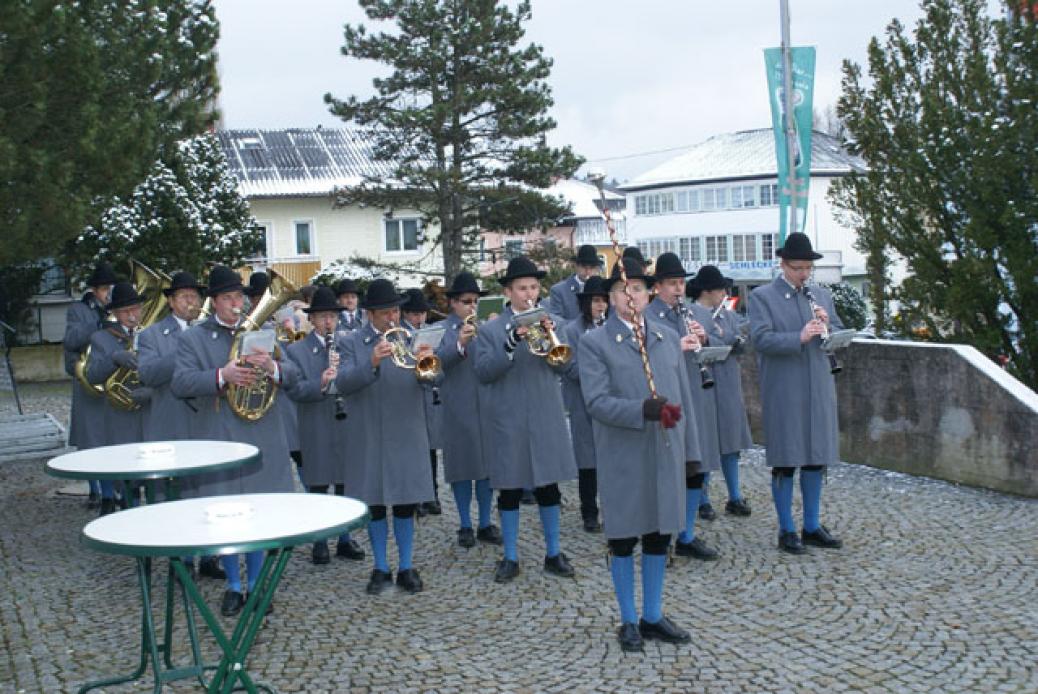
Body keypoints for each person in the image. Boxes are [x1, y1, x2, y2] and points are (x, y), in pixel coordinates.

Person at [579, 257, 699, 652]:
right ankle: (628, 618)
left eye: (637, 289)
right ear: (611, 298)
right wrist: (640, 410)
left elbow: (683, 399)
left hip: (664, 450)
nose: (630, 296)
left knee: (657, 533)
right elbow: (596, 402)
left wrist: (691, 451)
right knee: (625, 536)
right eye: (622, 290)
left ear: (649, 294)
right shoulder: (594, 343)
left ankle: (653, 615)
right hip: (623, 453)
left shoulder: (666, 336)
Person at [171, 265, 300, 616]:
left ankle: (257, 586)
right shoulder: (193, 339)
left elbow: (296, 375)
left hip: (262, 435)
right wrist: (221, 375)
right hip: (220, 435)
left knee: (258, 511)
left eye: (238, 297)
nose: (234, 304)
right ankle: (232, 585)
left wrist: (272, 368)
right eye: (227, 298)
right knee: (227, 512)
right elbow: (180, 383)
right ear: (213, 302)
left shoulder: (263, 331)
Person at [474, 256, 578, 583]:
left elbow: (566, 366)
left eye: (534, 287)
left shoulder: (553, 323)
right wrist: (509, 343)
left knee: (549, 486)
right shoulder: (490, 329)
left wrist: (551, 340)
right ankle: (510, 556)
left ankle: (553, 552)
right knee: (509, 487)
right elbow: (484, 372)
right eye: (522, 288)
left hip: (545, 413)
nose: (529, 293)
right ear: (508, 291)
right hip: (508, 416)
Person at [335, 279, 438, 595]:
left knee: (406, 501)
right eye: (385, 312)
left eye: (395, 310)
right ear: (369, 314)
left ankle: (406, 566)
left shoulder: (412, 336)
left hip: (407, 427)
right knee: (376, 502)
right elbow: (343, 383)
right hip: (369, 430)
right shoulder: (351, 341)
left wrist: (427, 362)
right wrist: (372, 362)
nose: (392, 317)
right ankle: (380, 567)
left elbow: (436, 377)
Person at [748, 232, 844, 554]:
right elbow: (760, 339)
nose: (804, 274)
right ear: (783, 264)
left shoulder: (820, 295)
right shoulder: (762, 297)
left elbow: (843, 333)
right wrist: (798, 337)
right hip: (784, 389)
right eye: (798, 268)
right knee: (787, 459)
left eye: (808, 268)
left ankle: (812, 525)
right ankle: (787, 529)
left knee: (816, 458)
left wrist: (829, 326)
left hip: (818, 386)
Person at [137, 271, 225, 579]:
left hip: (207, 419)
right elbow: (147, 374)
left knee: (208, 490)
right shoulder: (151, 335)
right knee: (177, 495)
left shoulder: (211, 332)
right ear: (171, 302)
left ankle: (209, 557)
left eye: (195, 296)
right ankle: (182, 558)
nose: (192, 302)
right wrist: (185, 347)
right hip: (171, 422)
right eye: (185, 297)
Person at [646, 252, 720, 560]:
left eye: (681, 283)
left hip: (695, 398)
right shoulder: (647, 317)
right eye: (671, 284)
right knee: (665, 471)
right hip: (665, 401)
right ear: (657, 287)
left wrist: (706, 340)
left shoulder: (695, 314)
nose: (678, 289)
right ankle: (660, 535)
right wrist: (675, 346)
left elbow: (720, 347)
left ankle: (687, 535)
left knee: (694, 469)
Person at [283, 286, 365, 565]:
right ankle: (319, 541)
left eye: (332, 316)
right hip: (315, 421)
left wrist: (345, 374)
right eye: (322, 317)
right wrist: (320, 382)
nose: (328, 322)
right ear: (312, 320)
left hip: (345, 421)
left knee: (344, 483)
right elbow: (294, 390)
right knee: (318, 485)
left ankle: (344, 537)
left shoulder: (348, 344)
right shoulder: (297, 350)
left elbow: (359, 379)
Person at [434, 272, 501, 548]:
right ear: (452, 303)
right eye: (466, 301)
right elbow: (435, 366)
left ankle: (485, 522)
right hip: (457, 407)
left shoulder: (485, 327)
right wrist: (460, 343)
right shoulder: (441, 330)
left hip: (486, 405)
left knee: (486, 468)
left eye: (475, 301)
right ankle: (464, 524)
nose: (471, 306)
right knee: (461, 468)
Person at [689, 267, 753, 517]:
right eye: (721, 289)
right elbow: (700, 344)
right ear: (707, 291)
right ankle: (702, 497)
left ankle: (734, 495)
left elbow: (739, 342)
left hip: (728, 383)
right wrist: (721, 340)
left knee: (730, 442)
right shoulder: (691, 314)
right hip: (703, 383)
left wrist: (732, 341)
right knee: (705, 441)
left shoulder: (727, 315)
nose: (726, 293)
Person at [85, 282, 151, 513]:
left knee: (153, 473)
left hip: (149, 414)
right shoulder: (101, 338)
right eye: (125, 311)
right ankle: (126, 510)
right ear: (114, 313)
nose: (132, 315)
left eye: (136, 309)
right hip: (120, 417)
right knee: (126, 473)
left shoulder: (151, 334)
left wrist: (152, 391)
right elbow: (92, 375)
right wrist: (113, 358)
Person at [63, 261, 117, 509]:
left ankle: (113, 489)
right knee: (91, 439)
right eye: (106, 289)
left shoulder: (116, 310)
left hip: (112, 381)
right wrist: (99, 324)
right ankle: (96, 489)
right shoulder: (78, 309)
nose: (109, 294)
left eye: (111, 289)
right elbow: (72, 339)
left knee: (112, 438)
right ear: (95, 290)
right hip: (88, 382)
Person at [560, 275, 610, 532]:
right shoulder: (571, 331)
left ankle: (614, 507)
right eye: (595, 301)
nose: (600, 306)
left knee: (612, 458)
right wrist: (599, 372)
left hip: (611, 401)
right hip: (583, 402)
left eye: (604, 301)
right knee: (588, 460)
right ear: (585, 303)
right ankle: (589, 511)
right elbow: (568, 368)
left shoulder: (613, 328)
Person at [401, 288, 444, 516]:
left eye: (423, 314)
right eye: (415, 314)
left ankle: (432, 493)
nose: (420, 319)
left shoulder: (429, 332)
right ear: (405, 314)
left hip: (428, 393)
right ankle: (415, 496)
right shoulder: (400, 334)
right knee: (413, 448)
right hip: (408, 395)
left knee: (430, 448)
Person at [548, 244, 603, 321]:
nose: (588, 271)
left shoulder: (603, 288)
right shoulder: (559, 290)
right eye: (584, 267)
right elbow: (557, 321)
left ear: (597, 268)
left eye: (592, 267)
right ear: (576, 266)